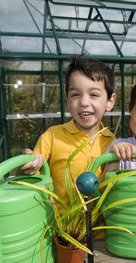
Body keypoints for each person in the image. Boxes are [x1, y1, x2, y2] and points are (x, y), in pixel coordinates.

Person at [20, 55, 116, 204]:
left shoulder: (113, 143)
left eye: (94, 95)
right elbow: (32, 175)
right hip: (61, 226)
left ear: (110, 102)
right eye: (75, 94)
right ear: (67, 100)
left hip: (102, 226)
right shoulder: (52, 137)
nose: (84, 102)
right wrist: (25, 164)